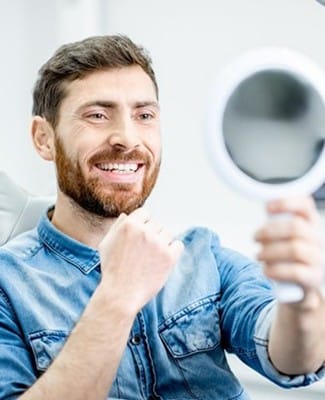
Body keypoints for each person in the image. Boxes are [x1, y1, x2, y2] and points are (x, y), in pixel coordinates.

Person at [0, 35, 324, 400]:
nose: (127, 137)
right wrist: (117, 297)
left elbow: (295, 359)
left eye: (144, 115)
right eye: (97, 115)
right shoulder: (7, 286)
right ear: (44, 138)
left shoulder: (204, 257)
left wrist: (303, 298)